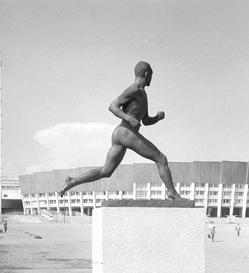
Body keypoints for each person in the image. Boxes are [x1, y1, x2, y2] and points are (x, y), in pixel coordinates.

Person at [60, 61, 181, 199]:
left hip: (120, 134)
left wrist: (157, 118)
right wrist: (129, 119)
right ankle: (171, 192)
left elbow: (145, 121)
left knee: (106, 171)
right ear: (147, 74)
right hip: (126, 132)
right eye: (151, 75)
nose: (151, 79)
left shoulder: (143, 94)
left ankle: (73, 181)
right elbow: (113, 106)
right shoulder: (134, 89)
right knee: (161, 159)